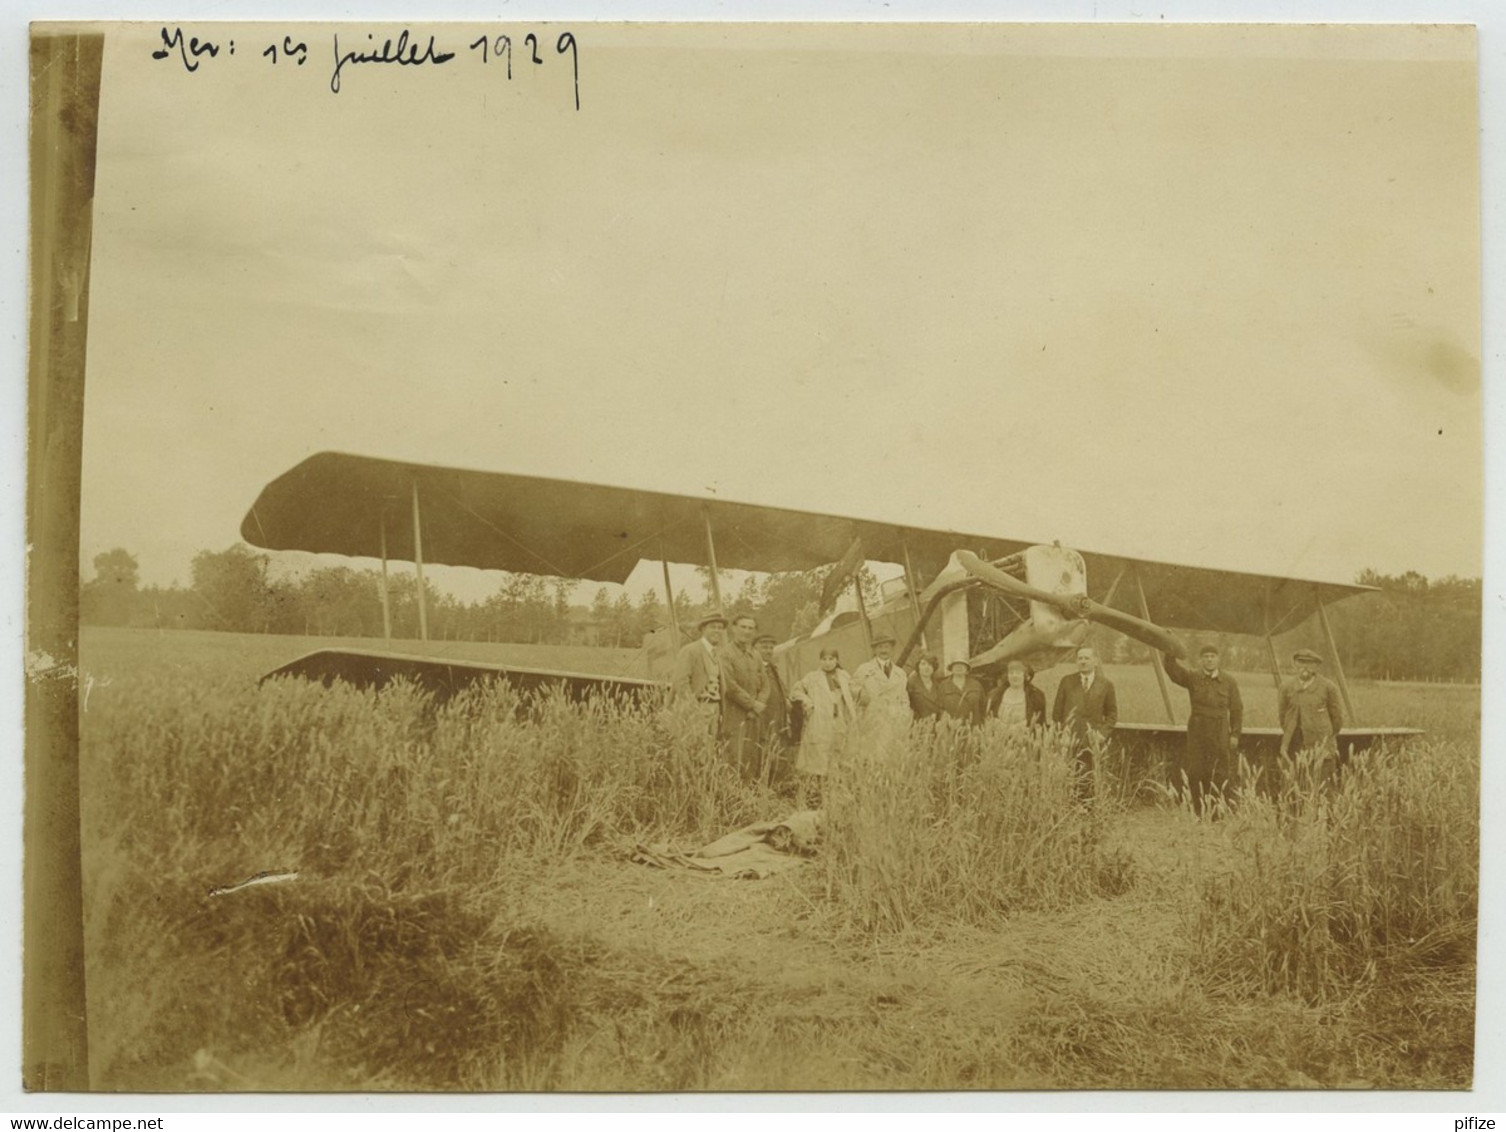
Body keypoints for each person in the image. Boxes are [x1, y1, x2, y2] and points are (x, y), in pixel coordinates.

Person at [1159, 644, 1243, 816]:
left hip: (1220, 731)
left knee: (1219, 772)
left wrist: (1234, 734)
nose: (1209, 659)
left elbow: (1236, 709)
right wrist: (1169, 650)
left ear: (1218, 659)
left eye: (1213, 656)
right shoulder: (1193, 677)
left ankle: (1218, 812)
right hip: (1197, 731)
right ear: (1201, 660)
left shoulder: (1229, 681)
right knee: (1196, 771)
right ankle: (1198, 811)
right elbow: (1173, 671)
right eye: (1206, 656)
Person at [789, 647, 857, 805]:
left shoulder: (844, 676)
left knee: (838, 755)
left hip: (839, 720)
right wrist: (807, 702)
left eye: (831, 659)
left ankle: (837, 794)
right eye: (824, 659)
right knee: (819, 758)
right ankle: (819, 794)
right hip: (820, 720)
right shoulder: (812, 677)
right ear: (820, 661)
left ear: (837, 660)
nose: (828, 663)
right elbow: (795, 691)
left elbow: (852, 693)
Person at [1052, 645, 1118, 791]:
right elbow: (1057, 712)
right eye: (1080, 658)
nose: (1083, 661)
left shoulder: (1106, 685)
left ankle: (1087, 811)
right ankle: (1067, 808)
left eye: (1086, 658)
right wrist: (1062, 733)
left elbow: (1112, 715)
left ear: (1095, 661)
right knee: (1068, 777)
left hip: (1092, 740)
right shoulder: (1066, 681)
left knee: (1089, 778)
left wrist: (1101, 734)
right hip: (1069, 739)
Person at [1279, 648, 1345, 788]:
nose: (1305, 667)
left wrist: (1324, 737)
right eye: (1301, 663)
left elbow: (1337, 720)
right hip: (1294, 746)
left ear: (1316, 667)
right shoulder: (1286, 687)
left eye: (1310, 664)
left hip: (1320, 746)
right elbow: (1283, 716)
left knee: (1323, 789)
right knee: (1292, 789)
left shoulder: (1328, 687)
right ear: (1295, 665)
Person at [718, 613, 769, 780]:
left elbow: (765, 684)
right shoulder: (725, 654)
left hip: (754, 716)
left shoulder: (756, 655)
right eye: (743, 627)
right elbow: (730, 686)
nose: (747, 631)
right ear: (733, 629)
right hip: (734, 715)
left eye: (750, 628)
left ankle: (750, 797)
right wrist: (752, 704)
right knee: (734, 756)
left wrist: (759, 704)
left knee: (752, 755)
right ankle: (733, 798)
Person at [754, 633, 792, 785]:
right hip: (763, 718)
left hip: (778, 718)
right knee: (764, 750)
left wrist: (786, 699)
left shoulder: (772, 668)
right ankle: (764, 785)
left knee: (779, 749)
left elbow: (782, 689)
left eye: (771, 647)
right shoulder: (753, 668)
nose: (768, 651)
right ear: (754, 648)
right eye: (764, 647)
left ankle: (779, 785)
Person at [672, 611, 726, 710]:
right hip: (697, 707)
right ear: (703, 629)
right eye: (713, 627)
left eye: (720, 628)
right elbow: (681, 682)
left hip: (715, 708)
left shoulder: (717, 653)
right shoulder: (690, 650)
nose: (717, 631)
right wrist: (692, 707)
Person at [853, 634, 912, 726]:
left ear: (892, 649)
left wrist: (905, 716)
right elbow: (852, 688)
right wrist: (861, 692)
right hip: (874, 721)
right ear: (874, 650)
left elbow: (904, 698)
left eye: (887, 647)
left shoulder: (900, 673)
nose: (884, 650)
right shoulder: (864, 669)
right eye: (880, 647)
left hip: (896, 721)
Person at [987, 659, 1046, 730]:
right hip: (999, 735)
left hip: (1025, 736)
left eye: (1018, 673)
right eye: (1011, 673)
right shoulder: (996, 694)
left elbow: (1038, 721)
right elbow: (988, 716)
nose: (1014, 676)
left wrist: (1016, 729)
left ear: (1025, 675)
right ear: (1007, 676)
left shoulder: (1035, 695)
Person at [938, 658, 986, 725]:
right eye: (955, 665)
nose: (959, 667)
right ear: (951, 668)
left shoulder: (976, 685)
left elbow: (983, 706)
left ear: (967, 669)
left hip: (973, 727)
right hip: (952, 728)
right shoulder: (943, 686)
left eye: (962, 664)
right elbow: (939, 708)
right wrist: (947, 720)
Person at [907, 653, 945, 719]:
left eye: (930, 665)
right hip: (917, 724)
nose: (926, 667)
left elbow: (941, 708)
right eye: (923, 664)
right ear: (918, 666)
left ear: (934, 667)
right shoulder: (910, 684)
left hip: (935, 724)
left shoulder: (938, 686)